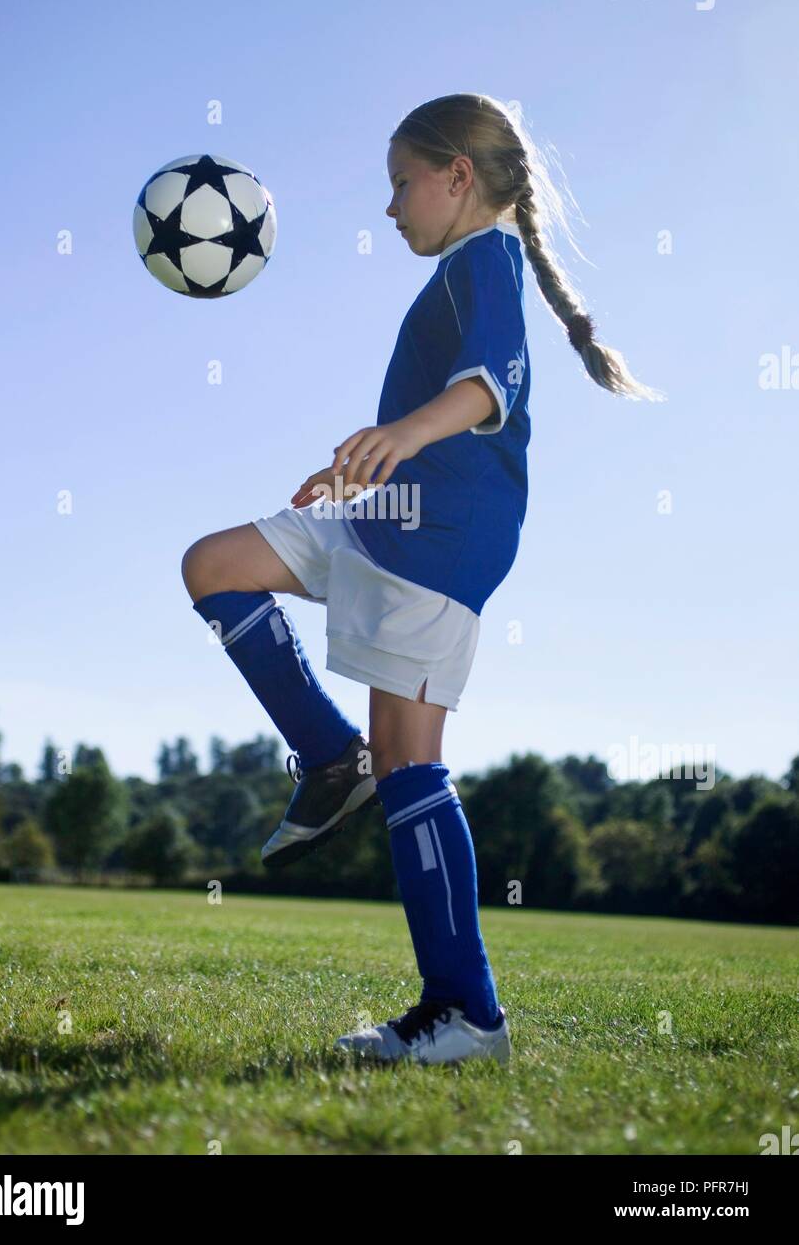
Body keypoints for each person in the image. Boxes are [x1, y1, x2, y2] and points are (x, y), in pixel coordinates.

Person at [181, 93, 663, 1065]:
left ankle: (465, 1011)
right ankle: (328, 758)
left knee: (410, 764)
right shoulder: (458, 266)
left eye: (401, 183)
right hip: (380, 517)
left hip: (441, 542)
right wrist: (366, 462)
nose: (390, 205)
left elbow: (493, 383)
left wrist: (402, 434)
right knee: (214, 567)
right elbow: (450, 394)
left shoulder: (488, 260)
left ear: (456, 177)